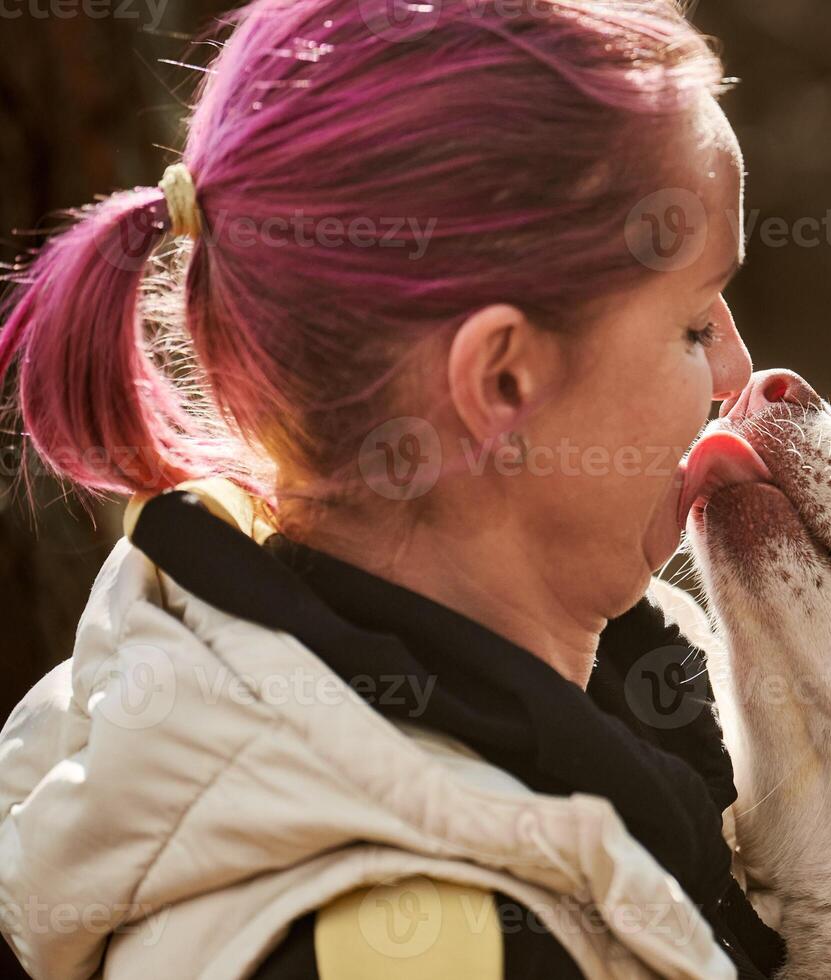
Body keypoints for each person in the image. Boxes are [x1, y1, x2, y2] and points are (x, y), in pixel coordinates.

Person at [0, 1, 786, 977]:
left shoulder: (617, 699)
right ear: (501, 383)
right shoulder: (434, 954)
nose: (735, 371)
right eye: (690, 326)